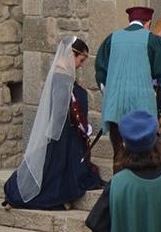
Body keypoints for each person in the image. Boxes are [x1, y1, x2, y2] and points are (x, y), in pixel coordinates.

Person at [6, 35, 103, 211]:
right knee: (55, 170)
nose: (81, 65)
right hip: (63, 134)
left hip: (68, 133)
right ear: (71, 55)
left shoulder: (64, 75)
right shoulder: (61, 78)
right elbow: (60, 110)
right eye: (81, 60)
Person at [97, 5, 161, 169]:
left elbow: (101, 75)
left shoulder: (111, 39)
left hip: (115, 107)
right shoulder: (154, 41)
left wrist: (110, 97)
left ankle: (118, 184)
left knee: (119, 155)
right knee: (146, 157)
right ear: (148, 22)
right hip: (143, 108)